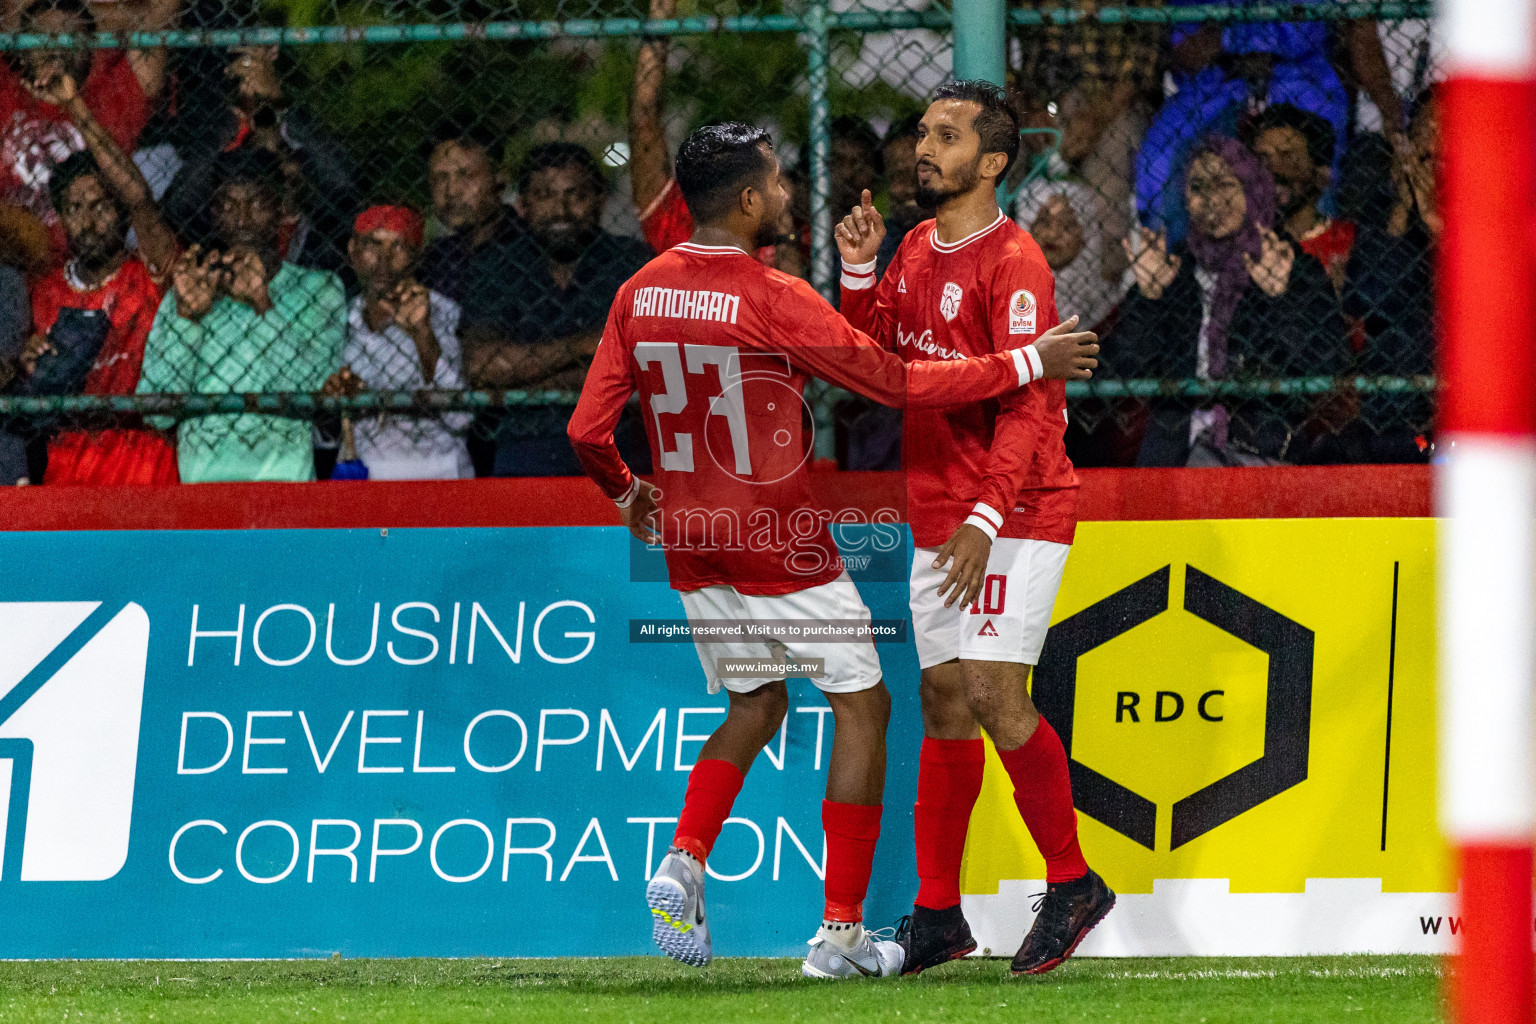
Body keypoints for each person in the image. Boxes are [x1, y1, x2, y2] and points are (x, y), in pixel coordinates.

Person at [567, 121, 1097, 979]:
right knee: (863, 707)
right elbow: (893, 381)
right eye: (776, 185)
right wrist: (1026, 361)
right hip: (781, 541)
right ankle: (841, 937)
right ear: (745, 201)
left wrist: (631, 494)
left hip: (692, 544)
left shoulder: (638, 290)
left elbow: (586, 430)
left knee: (755, 706)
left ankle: (686, 858)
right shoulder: (771, 293)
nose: (787, 196)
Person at [836, 79, 1115, 977]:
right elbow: (875, 355)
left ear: (992, 162)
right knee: (946, 706)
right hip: (937, 515)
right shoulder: (915, 245)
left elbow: (1033, 410)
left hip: (1017, 511)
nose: (926, 147)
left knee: (995, 691)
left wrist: (987, 519)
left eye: (947, 136)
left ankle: (1072, 882)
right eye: (923, 132)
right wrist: (856, 270)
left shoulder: (1016, 263)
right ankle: (937, 916)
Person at [1117, 136, 1345, 465]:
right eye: (1198, 187)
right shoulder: (1173, 271)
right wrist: (1149, 298)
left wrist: (1281, 298)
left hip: (1260, 451)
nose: (1212, 199)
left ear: (1252, 189)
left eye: (1225, 183)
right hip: (1172, 452)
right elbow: (1126, 370)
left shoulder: (1289, 264)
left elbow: (1326, 367)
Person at [13, 68, 180, 485]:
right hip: (68, 458)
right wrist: (27, 360)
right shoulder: (43, 291)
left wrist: (76, 107)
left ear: (119, 209)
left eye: (101, 205)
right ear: (61, 217)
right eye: (75, 209)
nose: (89, 221)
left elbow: (140, 199)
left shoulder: (149, 271)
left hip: (143, 454)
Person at [138, 147, 345, 482]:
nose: (242, 218)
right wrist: (188, 318)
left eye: (257, 203)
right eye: (228, 205)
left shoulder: (318, 289)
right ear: (213, 212)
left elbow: (313, 399)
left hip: (285, 488)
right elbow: (157, 412)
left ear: (280, 208)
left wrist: (263, 304)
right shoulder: (190, 288)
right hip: (204, 492)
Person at [1136, 0, 1406, 245]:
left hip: (1300, 77)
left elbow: (1362, 31)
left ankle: (1311, 271)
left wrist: (1393, 118)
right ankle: (1165, 279)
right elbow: (1183, 52)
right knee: (1159, 159)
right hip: (1216, 81)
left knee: (1314, 158)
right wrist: (1227, 38)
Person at [462, 141, 651, 477]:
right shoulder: (496, 266)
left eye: (575, 195)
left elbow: (644, 364)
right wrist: (585, 346)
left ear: (598, 201)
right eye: (545, 195)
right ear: (523, 204)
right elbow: (483, 365)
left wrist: (529, 383)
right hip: (526, 446)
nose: (560, 210)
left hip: (619, 444)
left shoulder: (634, 264)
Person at [161, 43, 361, 274]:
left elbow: (344, 182)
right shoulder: (213, 240)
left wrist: (279, 102)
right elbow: (178, 205)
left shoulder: (320, 242)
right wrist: (238, 117)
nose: (242, 219)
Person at [2, 0, 176, 262]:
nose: (55, 47)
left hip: (96, 253)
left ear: (91, 45)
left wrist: (72, 102)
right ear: (21, 50)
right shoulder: (5, 88)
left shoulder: (113, 87)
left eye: (69, 36)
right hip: (14, 255)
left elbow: (164, 9)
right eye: (41, 37)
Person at [625, 0, 793, 270]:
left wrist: (782, 218)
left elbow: (791, 300)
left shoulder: (762, 218)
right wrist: (659, 25)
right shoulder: (673, 215)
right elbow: (644, 117)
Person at [323, 205, 472, 480]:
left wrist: (423, 334)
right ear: (353, 250)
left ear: (417, 257)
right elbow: (322, 438)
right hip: (364, 480)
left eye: (399, 247)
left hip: (438, 476)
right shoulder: (336, 320)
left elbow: (460, 418)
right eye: (373, 244)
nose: (384, 259)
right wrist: (334, 403)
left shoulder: (444, 314)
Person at [1244, 103, 1354, 293]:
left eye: (1289, 156)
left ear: (1321, 175)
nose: (1273, 170)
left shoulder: (1352, 243)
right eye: (1263, 159)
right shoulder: (1243, 248)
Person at [418, 124, 523, 303]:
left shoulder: (526, 248)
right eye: (441, 178)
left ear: (499, 180)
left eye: (466, 175)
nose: (452, 191)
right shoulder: (436, 259)